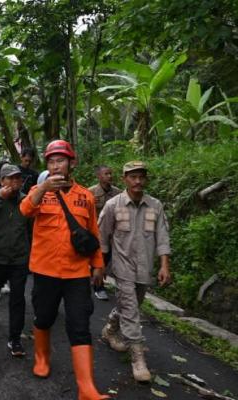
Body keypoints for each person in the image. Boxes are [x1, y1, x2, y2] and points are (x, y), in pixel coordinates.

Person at [19, 139, 109, 400]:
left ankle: (87, 388)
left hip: (77, 273)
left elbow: (92, 233)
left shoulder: (86, 196)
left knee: (79, 325)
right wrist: (43, 187)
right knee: (44, 317)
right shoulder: (40, 190)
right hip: (45, 270)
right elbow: (25, 210)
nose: (56, 165)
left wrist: (98, 265)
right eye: (51, 161)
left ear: (72, 163)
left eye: (61, 160)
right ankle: (42, 357)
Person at [99, 161, 171, 383]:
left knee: (132, 303)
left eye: (141, 177)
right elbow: (102, 236)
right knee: (130, 307)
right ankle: (137, 358)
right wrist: (99, 265)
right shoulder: (113, 205)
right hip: (122, 266)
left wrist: (164, 265)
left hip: (144, 268)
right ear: (124, 179)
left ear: (145, 179)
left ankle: (110, 328)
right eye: (133, 177)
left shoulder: (155, 206)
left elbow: (162, 236)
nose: (137, 181)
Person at [0, 164, 32, 358]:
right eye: (10, 178)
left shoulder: (26, 200)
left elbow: (30, 228)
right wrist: (0, 199)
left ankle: (15, 338)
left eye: (18, 179)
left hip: (19, 258)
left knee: (18, 299)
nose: (15, 182)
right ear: (1, 181)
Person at [88, 165, 122, 301]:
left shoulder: (118, 193)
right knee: (100, 258)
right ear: (99, 176)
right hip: (96, 232)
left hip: (113, 233)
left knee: (107, 259)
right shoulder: (91, 192)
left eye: (110, 173)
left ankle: (96, 278)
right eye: (106, 174)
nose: (110, 176)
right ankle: (99, 287)